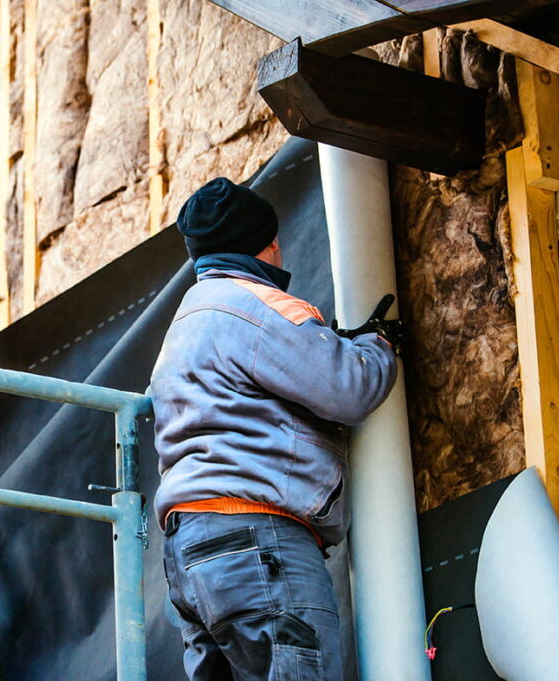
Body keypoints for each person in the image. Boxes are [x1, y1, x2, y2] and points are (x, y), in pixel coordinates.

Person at [150, 177, 399, 681]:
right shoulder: (257, 308)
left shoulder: (184, 324)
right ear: (268, 245)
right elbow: (349, 388)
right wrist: (377, 346)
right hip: (256, 540)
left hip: (190, 554)